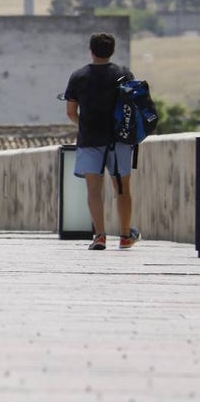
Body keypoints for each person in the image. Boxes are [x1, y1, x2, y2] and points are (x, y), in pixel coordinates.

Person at [63, 32, 141, 251]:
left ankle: (100, 236)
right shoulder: (123, 74)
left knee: (94, 189)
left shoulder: (79, 76)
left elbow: (71, 112)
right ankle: (125, 236)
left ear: (91, 50)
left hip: (90, 140)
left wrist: (85, 125)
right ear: (112, 50)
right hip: (119, 140)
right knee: (122, 188)